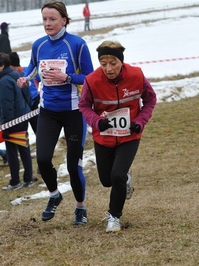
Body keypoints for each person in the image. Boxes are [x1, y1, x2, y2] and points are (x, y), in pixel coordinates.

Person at [17, 1, 94, 226]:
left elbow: (90, 77)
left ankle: (80, 208)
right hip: (48, 111)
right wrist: (25, 79)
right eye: (44, 19)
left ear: (64, 20)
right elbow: (33, 69)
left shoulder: (77, 44)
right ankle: (54, 195)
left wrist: (68, 78)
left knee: (73, 165)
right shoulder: (38, 45)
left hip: (72, 112)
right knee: (42, 159)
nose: (47, 24)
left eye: (52, 19)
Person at [79, 40, 157, 232]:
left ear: (121, 61)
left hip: (129, 136)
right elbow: (84, 106)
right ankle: (125, 179)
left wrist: (140, 121)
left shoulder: (136, 75)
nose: (108, 68)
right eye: (103, 63)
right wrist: (97, 122)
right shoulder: (91, 80)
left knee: (118, 175)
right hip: (103, 137)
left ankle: (114, 217)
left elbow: (150, 99)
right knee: (107, 180)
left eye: (113, 63)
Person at [0, 53, 34, 190]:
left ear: (2, 65)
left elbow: (6, 105)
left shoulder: (4, 82)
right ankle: (28, 178)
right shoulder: (18, 75)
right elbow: (27, 94)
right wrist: (26, 109)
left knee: (11, 152)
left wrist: (6, 126)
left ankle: (15, 181)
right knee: (24, 148)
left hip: (13, 121)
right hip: (23, 117)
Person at [9, 51, 40, 134]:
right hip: (21, 109)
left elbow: (43, 78)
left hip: (34, 106)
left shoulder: (29, 71)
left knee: (39, 132)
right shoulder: (10, 77)